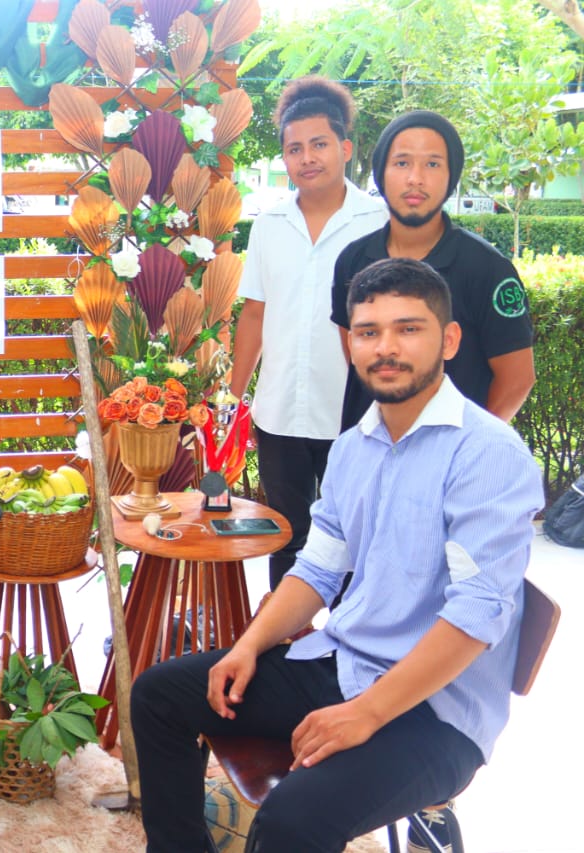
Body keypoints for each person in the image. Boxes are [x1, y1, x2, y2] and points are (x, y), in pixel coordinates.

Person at [131, 258, 542, 853]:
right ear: (350, 344)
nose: (386, 347)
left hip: (436, 711)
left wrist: (367, 713)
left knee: (292, 819)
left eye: (409, 329)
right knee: (160, 694)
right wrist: (249, 646)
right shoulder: (354, 447)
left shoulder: (488, 454)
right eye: (369, 332)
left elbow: (477, 614)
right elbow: (318, 569)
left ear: (449, 340)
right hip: (345, 664)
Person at [229, 77, 387, 590]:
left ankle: (347, 637)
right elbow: (255, 314)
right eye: (294, 149)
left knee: (355, 540)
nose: (307, 157)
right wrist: (233, 397)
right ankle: (286, 633)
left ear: (345, 148)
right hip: (280, 413)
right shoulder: (269, 224)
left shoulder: (379, 223)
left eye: (319, 144)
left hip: (355, 414)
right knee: (286, 538)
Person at [332, 110, 535, 431]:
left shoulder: (487, 268)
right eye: (402, 163)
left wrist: (469, 445)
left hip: (454, 455)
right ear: (381, 172)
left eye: (432, 164)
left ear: (451, 176)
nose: (415, 178)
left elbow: (517, 378)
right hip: (368, 446)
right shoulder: (352, 260)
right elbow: (358, 357)